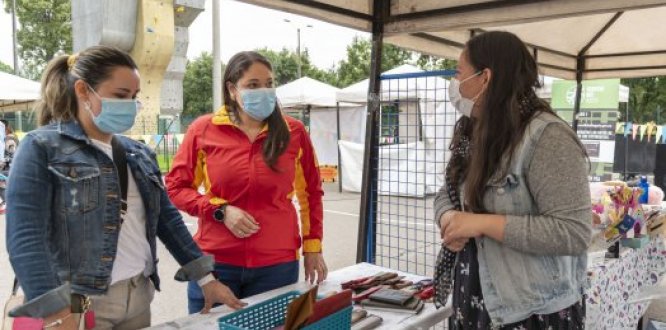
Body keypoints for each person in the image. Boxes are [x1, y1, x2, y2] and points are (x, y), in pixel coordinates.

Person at [6, 45, 245, 330]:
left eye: (134, 96)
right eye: (121, 95)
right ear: (83, 91)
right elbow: (25, 236)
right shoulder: (40, 147)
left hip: (138, 295)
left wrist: (207, 279)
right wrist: (51, 307)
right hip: (80, 299)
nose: (131, 104)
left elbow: (168, 221)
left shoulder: (138, 153)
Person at [433, 31, 591, 329]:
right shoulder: (475, 130)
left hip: (531, 310)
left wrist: (481, 223)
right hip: (476, 296)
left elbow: (574, 232)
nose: (455, 84)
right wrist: (448, 217)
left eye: (459, 73)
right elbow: (448, 191)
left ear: (485, 77)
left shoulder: (548, 137)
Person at [165, 51, 328, 314]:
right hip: (216, 265)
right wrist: (220, 210)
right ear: (232, 89)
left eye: (269, 83)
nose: (264, 91)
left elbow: (311, 193)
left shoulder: (294, 132)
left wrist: (313, 247)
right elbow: (175, 188)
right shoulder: (203, 129)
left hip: (277, 265)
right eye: (253, 85)